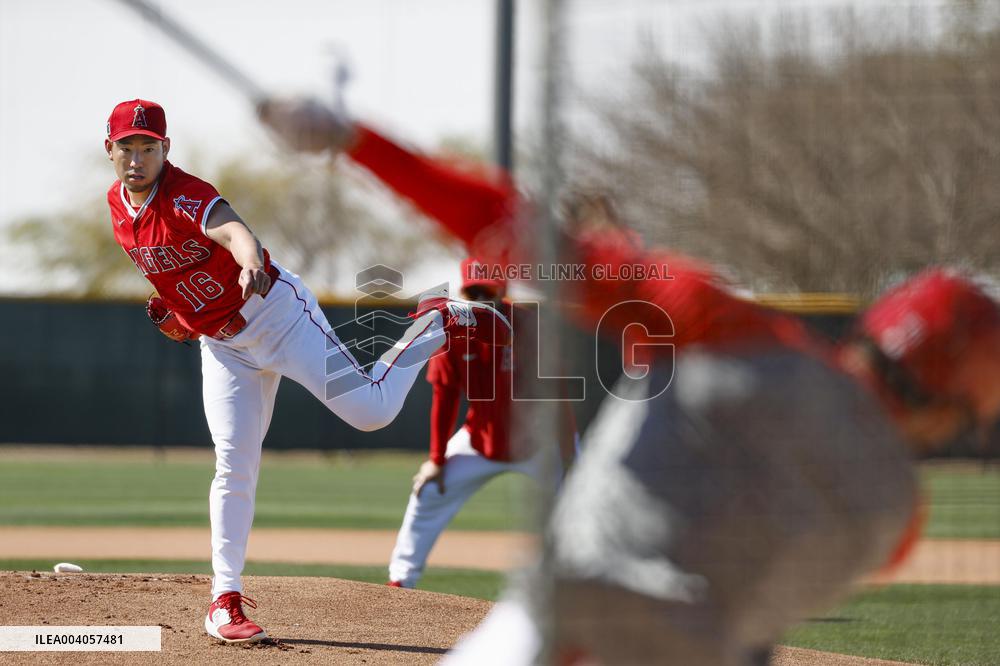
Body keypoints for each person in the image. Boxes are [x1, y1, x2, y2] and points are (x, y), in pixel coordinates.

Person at [259, 100, 1000, 664]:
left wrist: (357, 142)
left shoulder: (729, 328)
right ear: (950, 410)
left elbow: (507, 228)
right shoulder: (895, 521)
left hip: (548, 634)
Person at [102, 99, 511, 644]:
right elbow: (181, 272)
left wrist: (249, 259)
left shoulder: (186, 193)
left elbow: (230, 230)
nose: (137, 157)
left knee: (371, 412)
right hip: (223, 347)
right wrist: (183, 312)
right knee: (233, 464)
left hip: (278, 316)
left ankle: (434, 322)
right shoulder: (116, 207)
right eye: (126, 147)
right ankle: (224, 600)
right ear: (110, 151)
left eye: (147, 146)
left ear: (165, 149)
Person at [387, 258, 577, 589]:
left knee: (582, 505)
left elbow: (558, 396)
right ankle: (401, 581)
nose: (480, 297)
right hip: (479, 440)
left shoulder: (530, 327)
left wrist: (570, 455)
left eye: (487, 290)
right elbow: (444, 397)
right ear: (463, 291)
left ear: (503, 290)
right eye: (473, 291)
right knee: (428, 490)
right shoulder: (454, 333)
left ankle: (582, 589)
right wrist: (436, 460)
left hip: (538, 444)